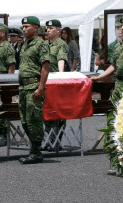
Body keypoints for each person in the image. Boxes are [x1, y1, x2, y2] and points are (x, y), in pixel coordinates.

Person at [18, 16, 50, 164]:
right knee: (24, 120)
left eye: (27, 27)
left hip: (34, 86)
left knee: (34, 119)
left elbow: (45, 67)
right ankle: (33, 147)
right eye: (23, 27)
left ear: (35, 28)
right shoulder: (24, 45)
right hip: (23, 87)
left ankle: (36, 151)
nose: (24, 29)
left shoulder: (41, 44)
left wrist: (41, 87)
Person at [91, 16, 123, 101]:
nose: (122, 28)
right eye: (120, 26)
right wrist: (99, 77)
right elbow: (113, 65)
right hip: (118, 85)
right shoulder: (118, 46)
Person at [44, 20, 68, 151]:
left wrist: (60, 76)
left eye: (51, 28)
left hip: (55, 82)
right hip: (45, 81)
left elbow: (61, 60)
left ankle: (56, 140)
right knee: (46, 111)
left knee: (57, 112)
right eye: (47, 28)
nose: (48, 30)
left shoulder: (61, 44)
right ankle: (49, 140)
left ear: (58, 30)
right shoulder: (44, 44)